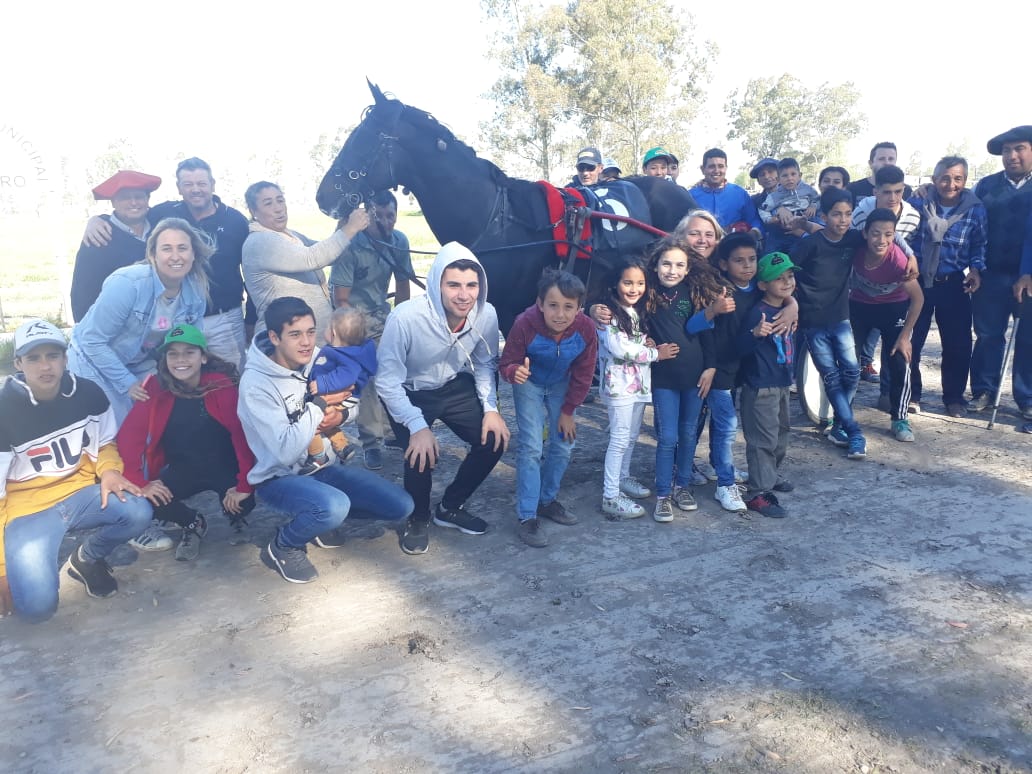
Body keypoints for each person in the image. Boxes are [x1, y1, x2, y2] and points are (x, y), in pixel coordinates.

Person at [238, 297, 413, 583]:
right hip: (278, 477)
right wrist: (319, 406)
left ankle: (319, 520)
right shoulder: (256, 384)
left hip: (324, 468)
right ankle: (284, 545)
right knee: (334, 506)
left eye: (311, 331)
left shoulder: (319, 357)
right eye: (295, 334)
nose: (307, 342)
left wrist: (339, 417)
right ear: (274, 337)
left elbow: (351, 402)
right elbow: (285, 451)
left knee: (401, 505)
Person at [0, 320, 152, 622]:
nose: (45, 366)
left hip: (80, 494)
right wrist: (2, 568)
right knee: (37, 610)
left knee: (138, 510)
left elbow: (105, 443)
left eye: (52, 355)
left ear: (65, 358)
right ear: (18, 363)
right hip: (27, 510)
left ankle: (86, 558)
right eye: (33, 358)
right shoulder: (4, 411)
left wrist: (109, 471)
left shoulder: (87, 393)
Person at [377, 242, 510, 555]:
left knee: (494, 439)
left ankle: (450, 507)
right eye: (453, 285)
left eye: (471, 285)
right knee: (420, 453)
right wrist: (417, 426)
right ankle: (417, 518)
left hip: (451, 384)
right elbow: (387, 381)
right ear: (436, 284)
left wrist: (491, 409)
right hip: (408, 391)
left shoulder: (487, 314)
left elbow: (484, 363)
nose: (464, 295)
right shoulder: (404, 318)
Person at [83, 158, 251, 367]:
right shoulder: (164, 213)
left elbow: (251, 269)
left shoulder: (235, 220)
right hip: (177, 318)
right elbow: (132, 214)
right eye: (188, 184)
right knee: (179, 375)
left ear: (212, 185)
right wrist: (98, 220)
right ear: (179, 188)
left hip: (223, 319)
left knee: (229, 375)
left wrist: (251, 318)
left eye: (201, 183)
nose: (196, 189)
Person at [117, 324, 256, 561]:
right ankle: (192, 522)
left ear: (203, 357)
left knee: (244, 502)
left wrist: (244, 484)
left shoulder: (221, 384)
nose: (180, 360)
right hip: (182, 469)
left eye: (189, 352)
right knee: (147, 501)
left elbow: (241, 434)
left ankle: (235, 516)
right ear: (165, 359)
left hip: (225, 467)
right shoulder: (155, 387)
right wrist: (140, 482)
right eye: (173, 354)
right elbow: (130, 436)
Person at [67, 217, 210, 425]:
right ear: (153, 254)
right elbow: (92, 341)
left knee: (159, 415)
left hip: (138, 360)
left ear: (193, 253)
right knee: (119, 425)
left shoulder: (195, 289)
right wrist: (127, 383)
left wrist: (194, 378)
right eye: (167, 249)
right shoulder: (128, 284)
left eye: (182, 248)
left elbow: (192, 342)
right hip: (91, 359)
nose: (175, 256)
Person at [499, 270, 597, 547]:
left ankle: (547, 500)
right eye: (553, 305)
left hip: (561, 384)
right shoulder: (524, 324)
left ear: (579, 308)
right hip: (529, 383)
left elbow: (585, 372)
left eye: (568, 307)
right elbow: (507, 362)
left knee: (564, 444)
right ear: (540, 304)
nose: (560, 314)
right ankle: (527, 516)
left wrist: (568, 411)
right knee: (531, 446)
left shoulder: (586, 329)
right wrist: (514, 371)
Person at [329, 189, 414, 470]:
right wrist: (353, 333)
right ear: (368, 216)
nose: (387, 222)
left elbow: (403, 283)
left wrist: (401, 321)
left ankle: (391, 431)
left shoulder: (399, 241)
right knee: (366, 380)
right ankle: (371, 442)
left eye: (392, 216)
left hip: (382, 314)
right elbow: (341, 298)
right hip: (355, 316)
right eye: (381, 217)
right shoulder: (352, 246)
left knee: (392, 373)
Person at [791, 188, 869, 459]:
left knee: (853, 372)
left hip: (840, 318)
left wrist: (910, 256)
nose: (843, 220)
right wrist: (790, 304)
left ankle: (837, 426)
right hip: (812, 321)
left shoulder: (853, 238)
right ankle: (854, 432)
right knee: (832, 377)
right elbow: (787, 272)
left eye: (848, 214)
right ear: (824, 216)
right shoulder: (810, 245)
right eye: (836, 214)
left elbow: (884, 236)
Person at [907, 156, 987, 417]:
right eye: (944, 178)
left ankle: (953, 398)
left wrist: (975, 269)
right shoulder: (918, 202)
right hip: (918, 281)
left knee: (957, 345)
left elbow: (979, 244)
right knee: (911, 339)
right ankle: (911, 394)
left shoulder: (975, 209)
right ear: (934, 179)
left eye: (957, 178)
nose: (951, 184)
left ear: (965, 180)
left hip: (953, 282)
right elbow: (905, 236)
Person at [597, 258, 677, 518]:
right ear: (615, 284)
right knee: (619, 439)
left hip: (639, 386)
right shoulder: (607, 314)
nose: (634, 289)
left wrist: (647, 342)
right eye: (628, 283)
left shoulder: (635, 311)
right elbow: (619, 348)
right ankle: (610, 496)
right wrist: (655, 354)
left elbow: (634, 342)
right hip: (618, 387)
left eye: (640, 283)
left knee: (631, 436)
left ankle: (622, 478)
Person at [646, 238, 718, 522]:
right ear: (656, 265)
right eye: (666, 264)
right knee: (668, 437)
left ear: (688, 269)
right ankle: (663, 494)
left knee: (688, 434)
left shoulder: (694, 294)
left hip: (695, 376)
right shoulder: (647, 294)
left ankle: (682, 486)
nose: (672, 270)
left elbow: (707, 334)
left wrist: (710, 368)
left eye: (679, 265)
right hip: (664, 378)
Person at [241, 181, 370, 339]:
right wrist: (350, 228)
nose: (278, 208)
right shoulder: (260, 242)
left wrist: (343, 223)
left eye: (280, 200)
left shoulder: (290, 235)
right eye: (268, 203)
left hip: (309, 339)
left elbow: (330, 256)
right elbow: (312, 258)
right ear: (253, 211)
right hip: (288, 341)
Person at [970, 125, 1032, 419]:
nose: (1012, 156)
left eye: (1019, 149)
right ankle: (984, 390)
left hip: (1029, 278)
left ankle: (1027, 396)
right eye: (1007, 150)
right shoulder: (985, 186)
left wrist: (1028, 272)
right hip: (990, 275)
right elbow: (969, 223)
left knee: (1029, 338)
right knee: (987, 335)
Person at [849, 209, 924, 442]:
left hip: (893, 308)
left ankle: (900, 419)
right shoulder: (855, 249)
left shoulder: (898, 261)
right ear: (865, 233)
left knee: (900, 360)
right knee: (847, 359)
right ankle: (841, 414)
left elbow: (918, 299)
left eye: (888, 235)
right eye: (875, 234)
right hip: (859, 306)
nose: (881, 240)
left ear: (894, 236)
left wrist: (905, 336)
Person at [737, 253, 799, 518]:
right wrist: (755, 335)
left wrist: (793, 305)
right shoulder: (757, 313)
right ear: (763, 285)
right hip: (761, 385)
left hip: (782, 382)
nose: (787, 282)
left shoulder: (787, 308)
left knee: (781, 434)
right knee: (762, 440)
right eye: (778, 279)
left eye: (790, 276)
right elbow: (740, 347)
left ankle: (770, 475)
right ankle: (757, 492)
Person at [852, 164, 922, 393]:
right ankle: (842, 405)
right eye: (886, 192)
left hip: (896, 289)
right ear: (876, 192)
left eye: (898, 191)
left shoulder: (913, 216)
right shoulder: (861, 213)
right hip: (863, 292)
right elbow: (852, 242)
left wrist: (910, 257)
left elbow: (900, 240)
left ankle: (889, 395)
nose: (892, 198)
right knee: (851, 351)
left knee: (896, 351)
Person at [71, 170, 161, 322]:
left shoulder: (160, 228)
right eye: (125, 198)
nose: (133, 202)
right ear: (113, 202)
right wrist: (85, 328)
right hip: (116, 323)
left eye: (139, 197)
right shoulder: (99, 237)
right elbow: (83, 292)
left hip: (159, 321)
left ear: (148, 199)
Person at [301, 307, 376, 474]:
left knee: (311, 421)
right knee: (328, 419)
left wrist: (322, 384)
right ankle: (342, 446)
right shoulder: (348, 351)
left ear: (333, 333)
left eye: (328, 326)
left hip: (339, 395)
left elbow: (348, 375)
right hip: (341, 396)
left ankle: (317, 456)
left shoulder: (345, 356)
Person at [688, 149, 763, 241]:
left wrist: (752, 233)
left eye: (720, 166)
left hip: (733, 246)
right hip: (702, 246)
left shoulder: (739, 194)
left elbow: (754, 220)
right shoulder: (690, 196)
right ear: (703, 169)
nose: (716, 170)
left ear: (726, 168)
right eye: (711, 166)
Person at [759, 158, 820, 253]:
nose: (789, 178)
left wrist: (813, 206)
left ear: (800, 176)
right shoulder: (774, 196)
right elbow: (763, 209)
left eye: (793, 174)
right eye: (784, 176)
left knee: (799, 252)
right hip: (781, 231)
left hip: (804, 227)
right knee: (770, 252)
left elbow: (818, 199)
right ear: (778, 179)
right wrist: (770, 219)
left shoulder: (808, 190)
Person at [848, 142, 913, 201]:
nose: (887, 163)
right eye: (881, 159)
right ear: (871, 163)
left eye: (891, 159)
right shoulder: (853, 189)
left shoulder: (906, 191)